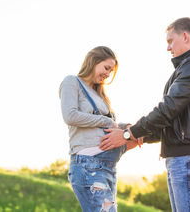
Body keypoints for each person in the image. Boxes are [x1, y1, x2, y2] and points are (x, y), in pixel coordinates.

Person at [99, 18, 190, 212]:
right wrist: (139, 135)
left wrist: (127, 135)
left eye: (170, 41)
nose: (168, 48)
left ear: (185, 36)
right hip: (185, 156)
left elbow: (167, 110)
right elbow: (174, 121)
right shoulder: (189, 66)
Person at [59, 46, 140, 212]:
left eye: (111, 71)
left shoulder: (99, 94)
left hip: (107, 167)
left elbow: (110, 125)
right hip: (89, 167)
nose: (108, 74)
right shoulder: (72, 82)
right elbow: (70, 116)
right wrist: (105, 121)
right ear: (94, 61)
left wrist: (130, 128)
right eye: (106, 68)